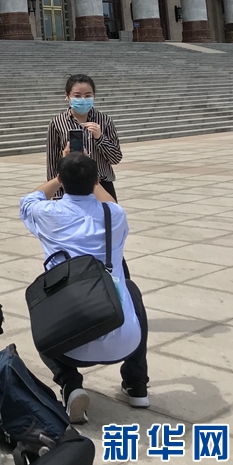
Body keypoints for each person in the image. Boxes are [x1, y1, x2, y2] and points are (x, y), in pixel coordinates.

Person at [20, 152, 149, 424]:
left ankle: (70, 384)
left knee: (43, 306)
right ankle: (136, 384)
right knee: (130, 289)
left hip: (70, 346)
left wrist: (59, 177)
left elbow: (28, 201)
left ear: (61, 180)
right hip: (123, 341)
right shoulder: (114, 215)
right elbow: (110, 204)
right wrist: (94, 180)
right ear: (95, 181)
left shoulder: (48, 213)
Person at [46, 74, 122, 201]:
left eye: (87, 96)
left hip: (101, 185)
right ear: (68, 96)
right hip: (70, 186)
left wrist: (100, 138)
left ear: (93, 95)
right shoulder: (57, 123)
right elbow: (52, 163)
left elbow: (116, 158)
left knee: (109, 213)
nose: (83, 99)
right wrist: (57, 194)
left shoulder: (105, 121)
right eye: (77, 96)